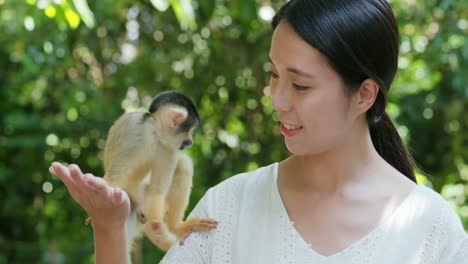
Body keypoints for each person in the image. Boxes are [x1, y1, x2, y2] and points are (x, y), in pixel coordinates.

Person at [49, 0, 468, 263]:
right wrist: (109, 227)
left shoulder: (432, 229)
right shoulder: (229, 207)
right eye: (273, 75)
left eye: (300, 85)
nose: (276, 99)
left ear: (363, 95)